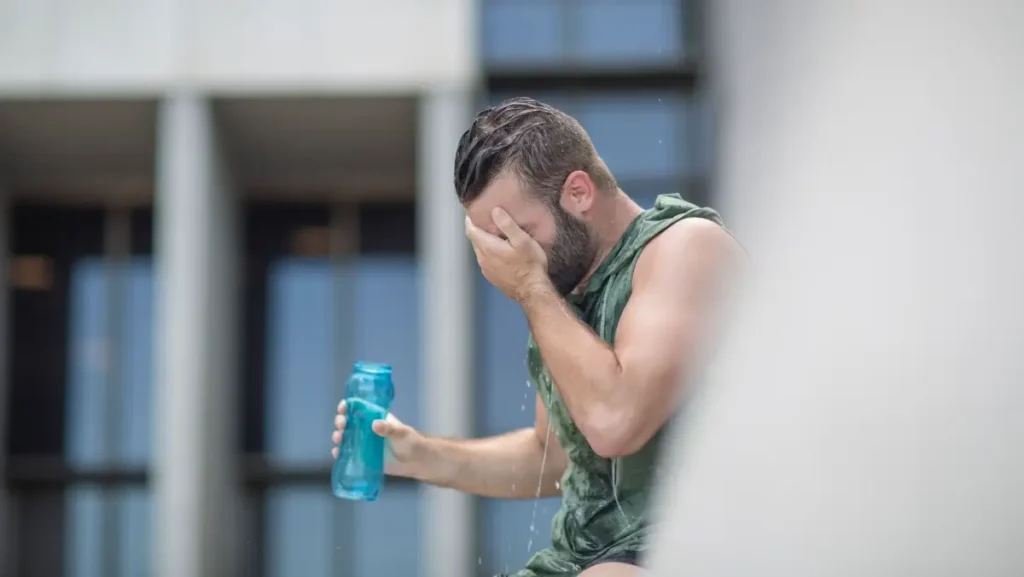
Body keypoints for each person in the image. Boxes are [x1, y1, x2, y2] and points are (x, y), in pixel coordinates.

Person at [332, 97, 740, 577]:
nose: (510, 258)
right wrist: (420, 454)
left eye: (519, 232)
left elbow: (615, 422)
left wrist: (532, 289)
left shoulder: (684, 247)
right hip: (575, 561)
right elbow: (549, 459)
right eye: (495, 243)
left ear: (579, 192)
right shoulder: (559, 296)